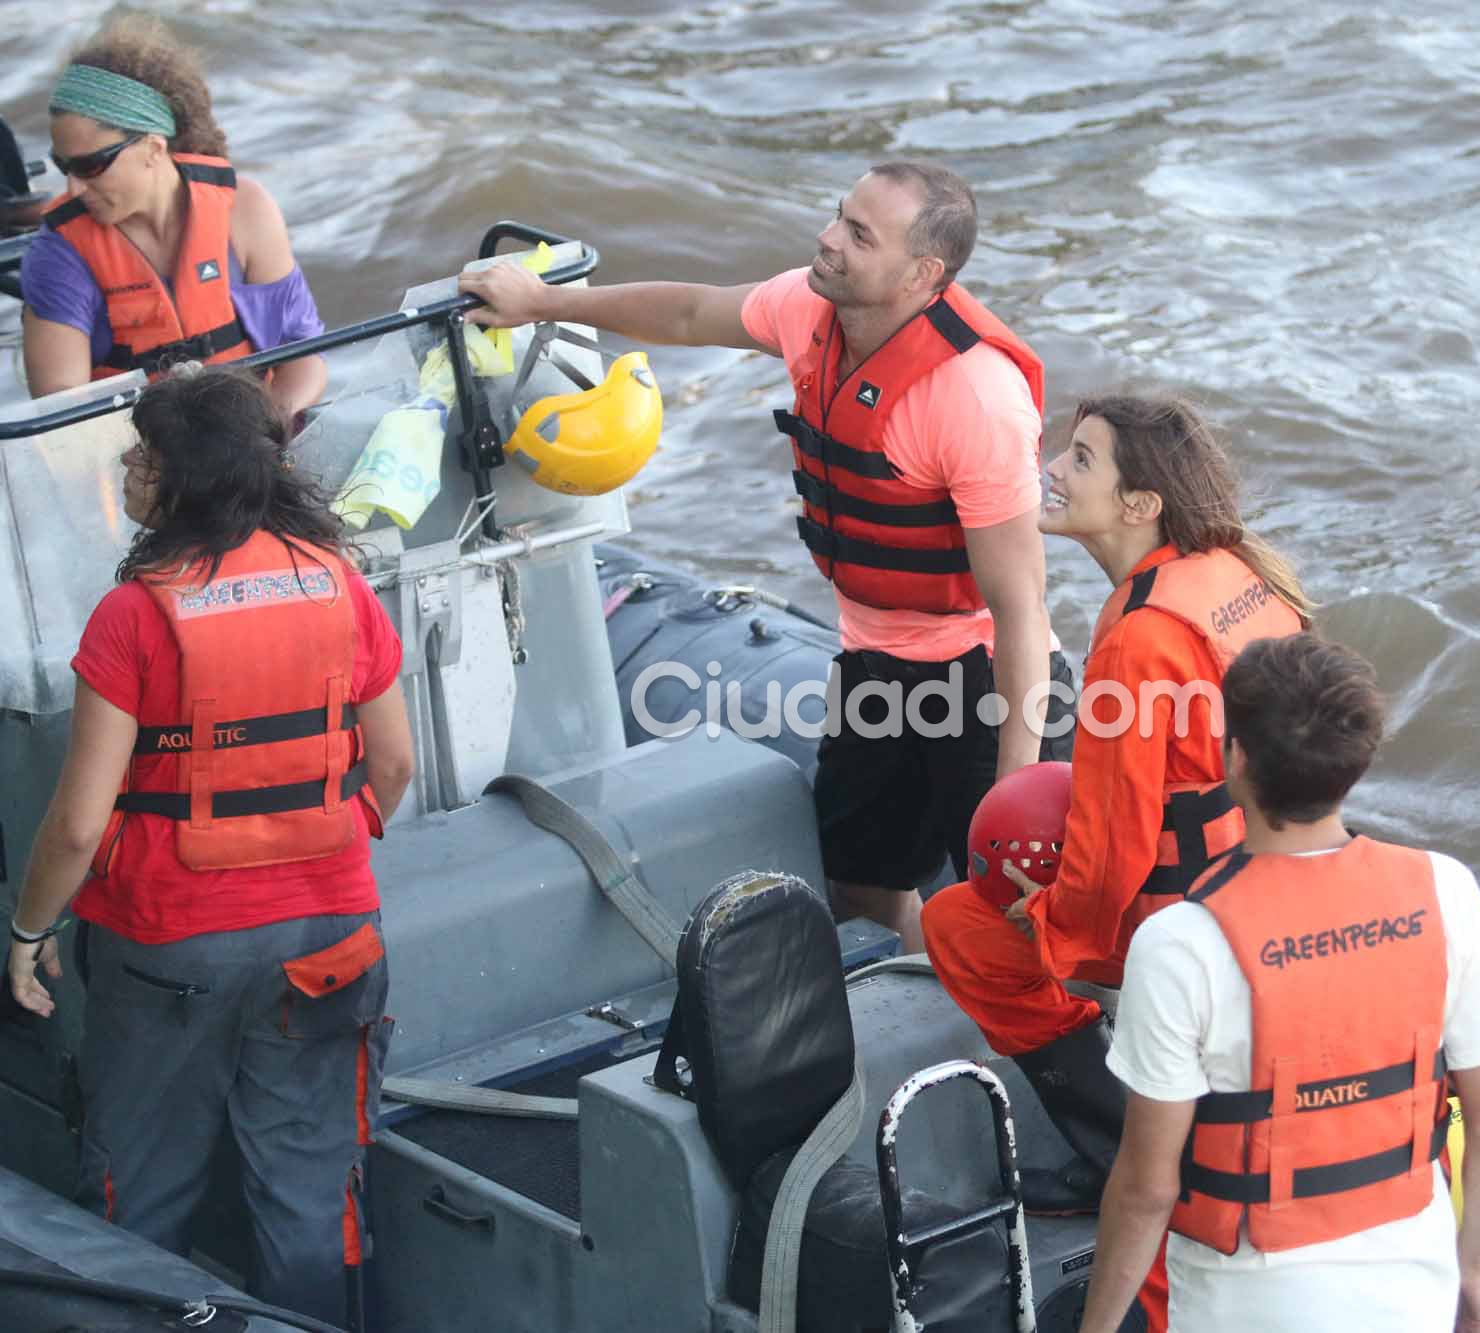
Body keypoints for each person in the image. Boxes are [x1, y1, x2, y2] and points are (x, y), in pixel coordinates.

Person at [459, 161, 1064, 952]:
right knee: (859, 884)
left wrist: (1015, 792)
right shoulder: (807, 309)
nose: (827, 238)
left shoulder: (974, 397)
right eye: (837, 215)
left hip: (979, 677)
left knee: (1002, 908)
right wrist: (543, 303)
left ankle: (1015, 1014)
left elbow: (1021, 611)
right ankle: (942, 985)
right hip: (876, 660)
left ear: (923, 274)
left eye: (857, 233)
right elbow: (688, 312)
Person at [5, 367, 414, 1325]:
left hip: (167, 945)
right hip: (330, 938)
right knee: (311, 1192)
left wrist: (27, 930)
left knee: (141, 1194)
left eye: (143, 454)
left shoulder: (135, 614)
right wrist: (315, 856)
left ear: (180, 478)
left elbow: (76, 822)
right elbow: (391, 765)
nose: (130, 468)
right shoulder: (340, 584)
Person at [924, 395, 1307, 1327]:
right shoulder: (1242, 574)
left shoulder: (1136, 638)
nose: (1053, 467)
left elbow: (1110, 852)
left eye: (1083, 459)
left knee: (959, 927)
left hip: (1188, 928)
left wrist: (1045, 924)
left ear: (1140, 504)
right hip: (1271, 894)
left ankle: (1118, 1142)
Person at [1075, 634, 1480, 1333]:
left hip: (1248, 1308)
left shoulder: (1178, 944)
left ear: (1237, 759)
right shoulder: (1446, 892)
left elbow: (1146, 1186)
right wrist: (1472, 1277)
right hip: (1414, 1292)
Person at [19, 16, 328, 418]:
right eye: (64, 167)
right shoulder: (57, 254)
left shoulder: (246, 210)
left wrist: (265, 431)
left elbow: (305, 358)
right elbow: (62, 408)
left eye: (91, 166)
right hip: (137, 462)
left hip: (256, 439)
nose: (74, 189)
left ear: (152, 147)